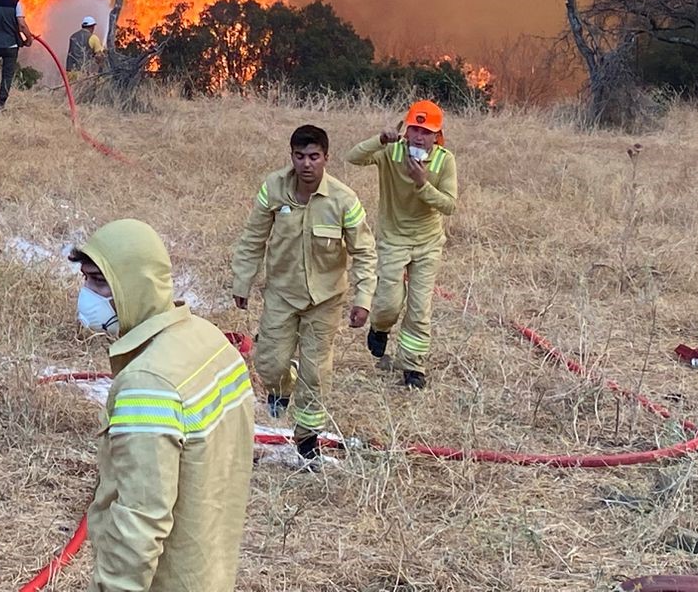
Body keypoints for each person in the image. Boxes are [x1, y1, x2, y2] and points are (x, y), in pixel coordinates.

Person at [71, 218, 254, 591]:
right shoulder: (208, 339)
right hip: (211, 569)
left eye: (100, 282)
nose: (87, 294)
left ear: (135, 283)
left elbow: (140, 520)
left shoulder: (147, 383)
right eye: (85, 279)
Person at [229, 123, 375, 468]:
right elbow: (253, 237)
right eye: (300, 156)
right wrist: (242, 281)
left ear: (326, 158)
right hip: (282, 293)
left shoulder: (344, 199)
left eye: (314, 156)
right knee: (270, 363)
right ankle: (281, 388)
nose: (306, 164)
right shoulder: (273, 188)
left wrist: (363, 299)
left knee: (315, 370)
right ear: (291, 156)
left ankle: (307, 439)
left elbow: (365, 252)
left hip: (325, 299)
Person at [345, 99, 458, 389]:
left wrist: (422, 184)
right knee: (387, 303)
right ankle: (380, 328)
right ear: (406, 130)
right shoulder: (391, 151)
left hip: (428, 243)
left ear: (437, 136)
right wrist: (380, 139)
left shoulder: (444, 160)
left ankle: (413, 366)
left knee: (419, 309)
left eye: (427, 132)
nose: (419, 137)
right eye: (415, 130)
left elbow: (449, 205)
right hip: (393, 240)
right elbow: (353, 157)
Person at [65, 15, 105, 80]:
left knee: (73, 86)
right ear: (92, 27)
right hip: (83, 73)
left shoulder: (73, 36)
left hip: (70, 72)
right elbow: (99, 56)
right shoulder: (93, 38)